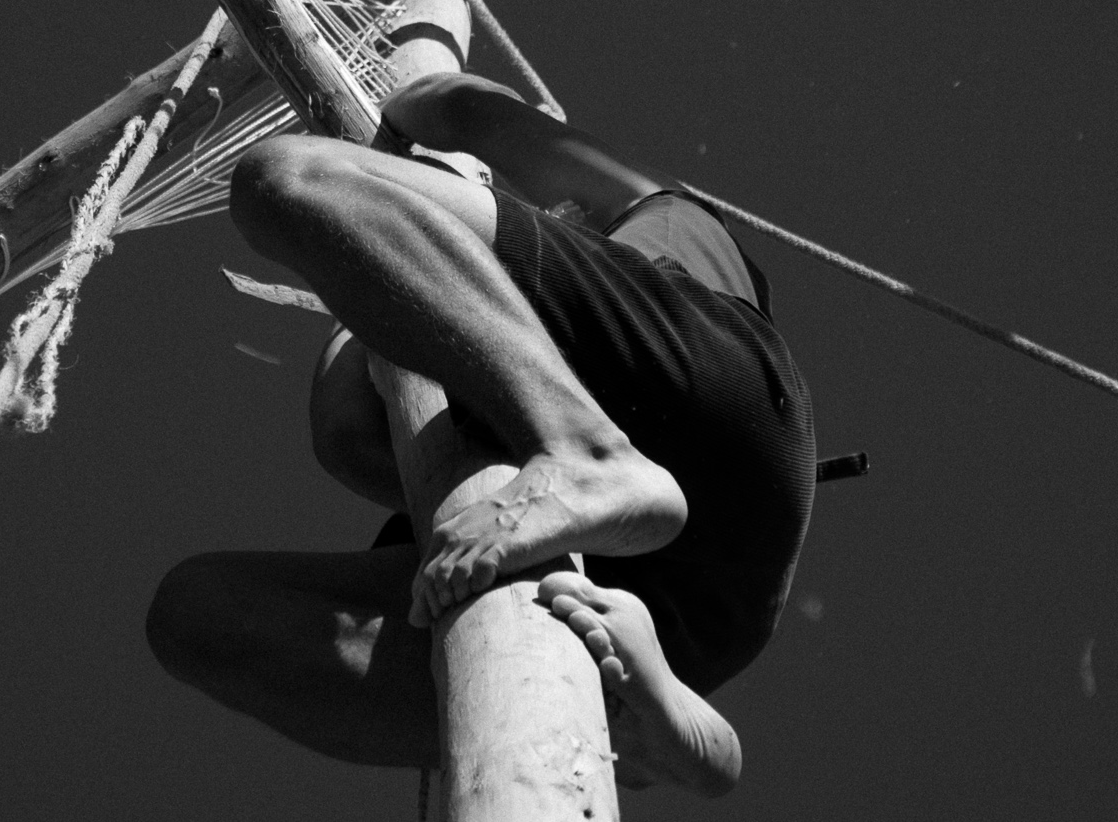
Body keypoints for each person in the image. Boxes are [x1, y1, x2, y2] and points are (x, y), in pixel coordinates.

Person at [145, 72, 815, 796]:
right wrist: (390, 243)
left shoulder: (664, 218)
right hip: (692, 609)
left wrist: (395, 111)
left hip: (694, 389)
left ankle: (589, 453)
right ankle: (651, 726)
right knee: (194, 612)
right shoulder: (489, 414)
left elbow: (460, 106)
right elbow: (346, 426)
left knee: (290, 175)